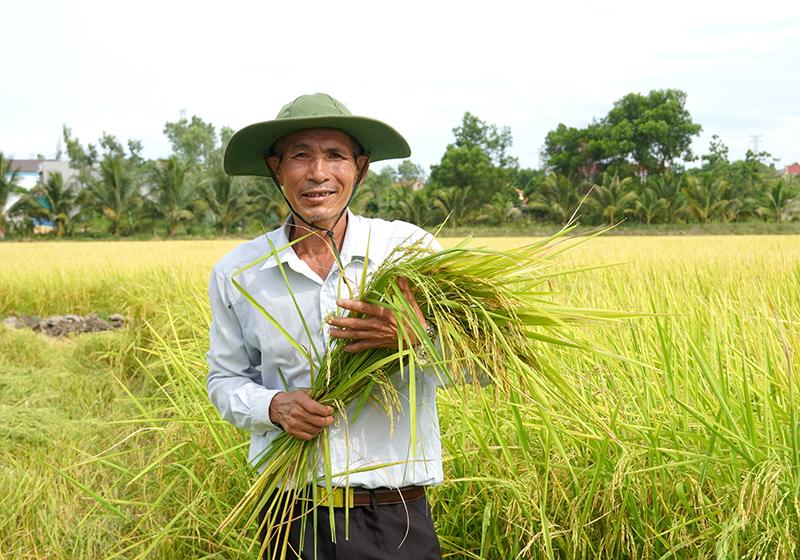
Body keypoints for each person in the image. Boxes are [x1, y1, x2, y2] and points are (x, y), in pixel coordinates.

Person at [206, 93, 443, 559]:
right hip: (289, 516)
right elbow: (224, 379)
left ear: (361, 168)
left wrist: (417, 339)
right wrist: (273, 406)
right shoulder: (238, 273)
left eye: (335, 155)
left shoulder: (410, 253)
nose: (318, 173)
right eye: (300, 156)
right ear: (276, 169)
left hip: (393, 516)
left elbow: (481, 366)